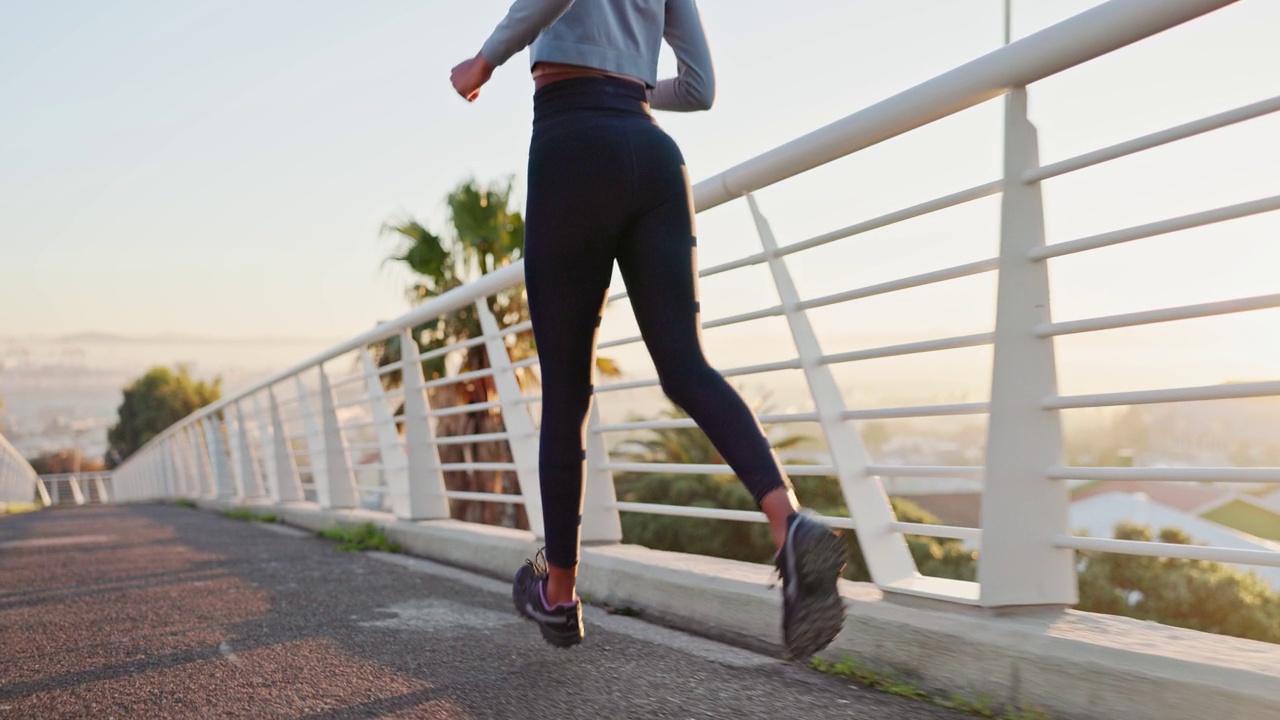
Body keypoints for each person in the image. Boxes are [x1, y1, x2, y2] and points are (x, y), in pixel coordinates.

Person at [450, 0, 846, 659]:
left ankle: (561, 594)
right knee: (686, 366)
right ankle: (789, 524)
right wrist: (631, 86)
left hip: (572, 143)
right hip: (653, 153)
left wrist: (484, 60)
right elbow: (699, 88)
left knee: (567, 390)